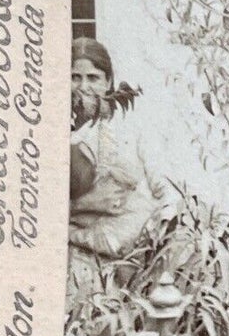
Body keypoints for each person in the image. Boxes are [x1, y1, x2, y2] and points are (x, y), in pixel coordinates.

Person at [68, 37, 168, 309]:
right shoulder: (57, 131)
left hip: (136, 259)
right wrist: (85, 204)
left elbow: (165, 189)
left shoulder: (132, 128)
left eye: (93, 77)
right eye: (75, 77)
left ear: (109, 81)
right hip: (78, 260)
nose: (84, 87)